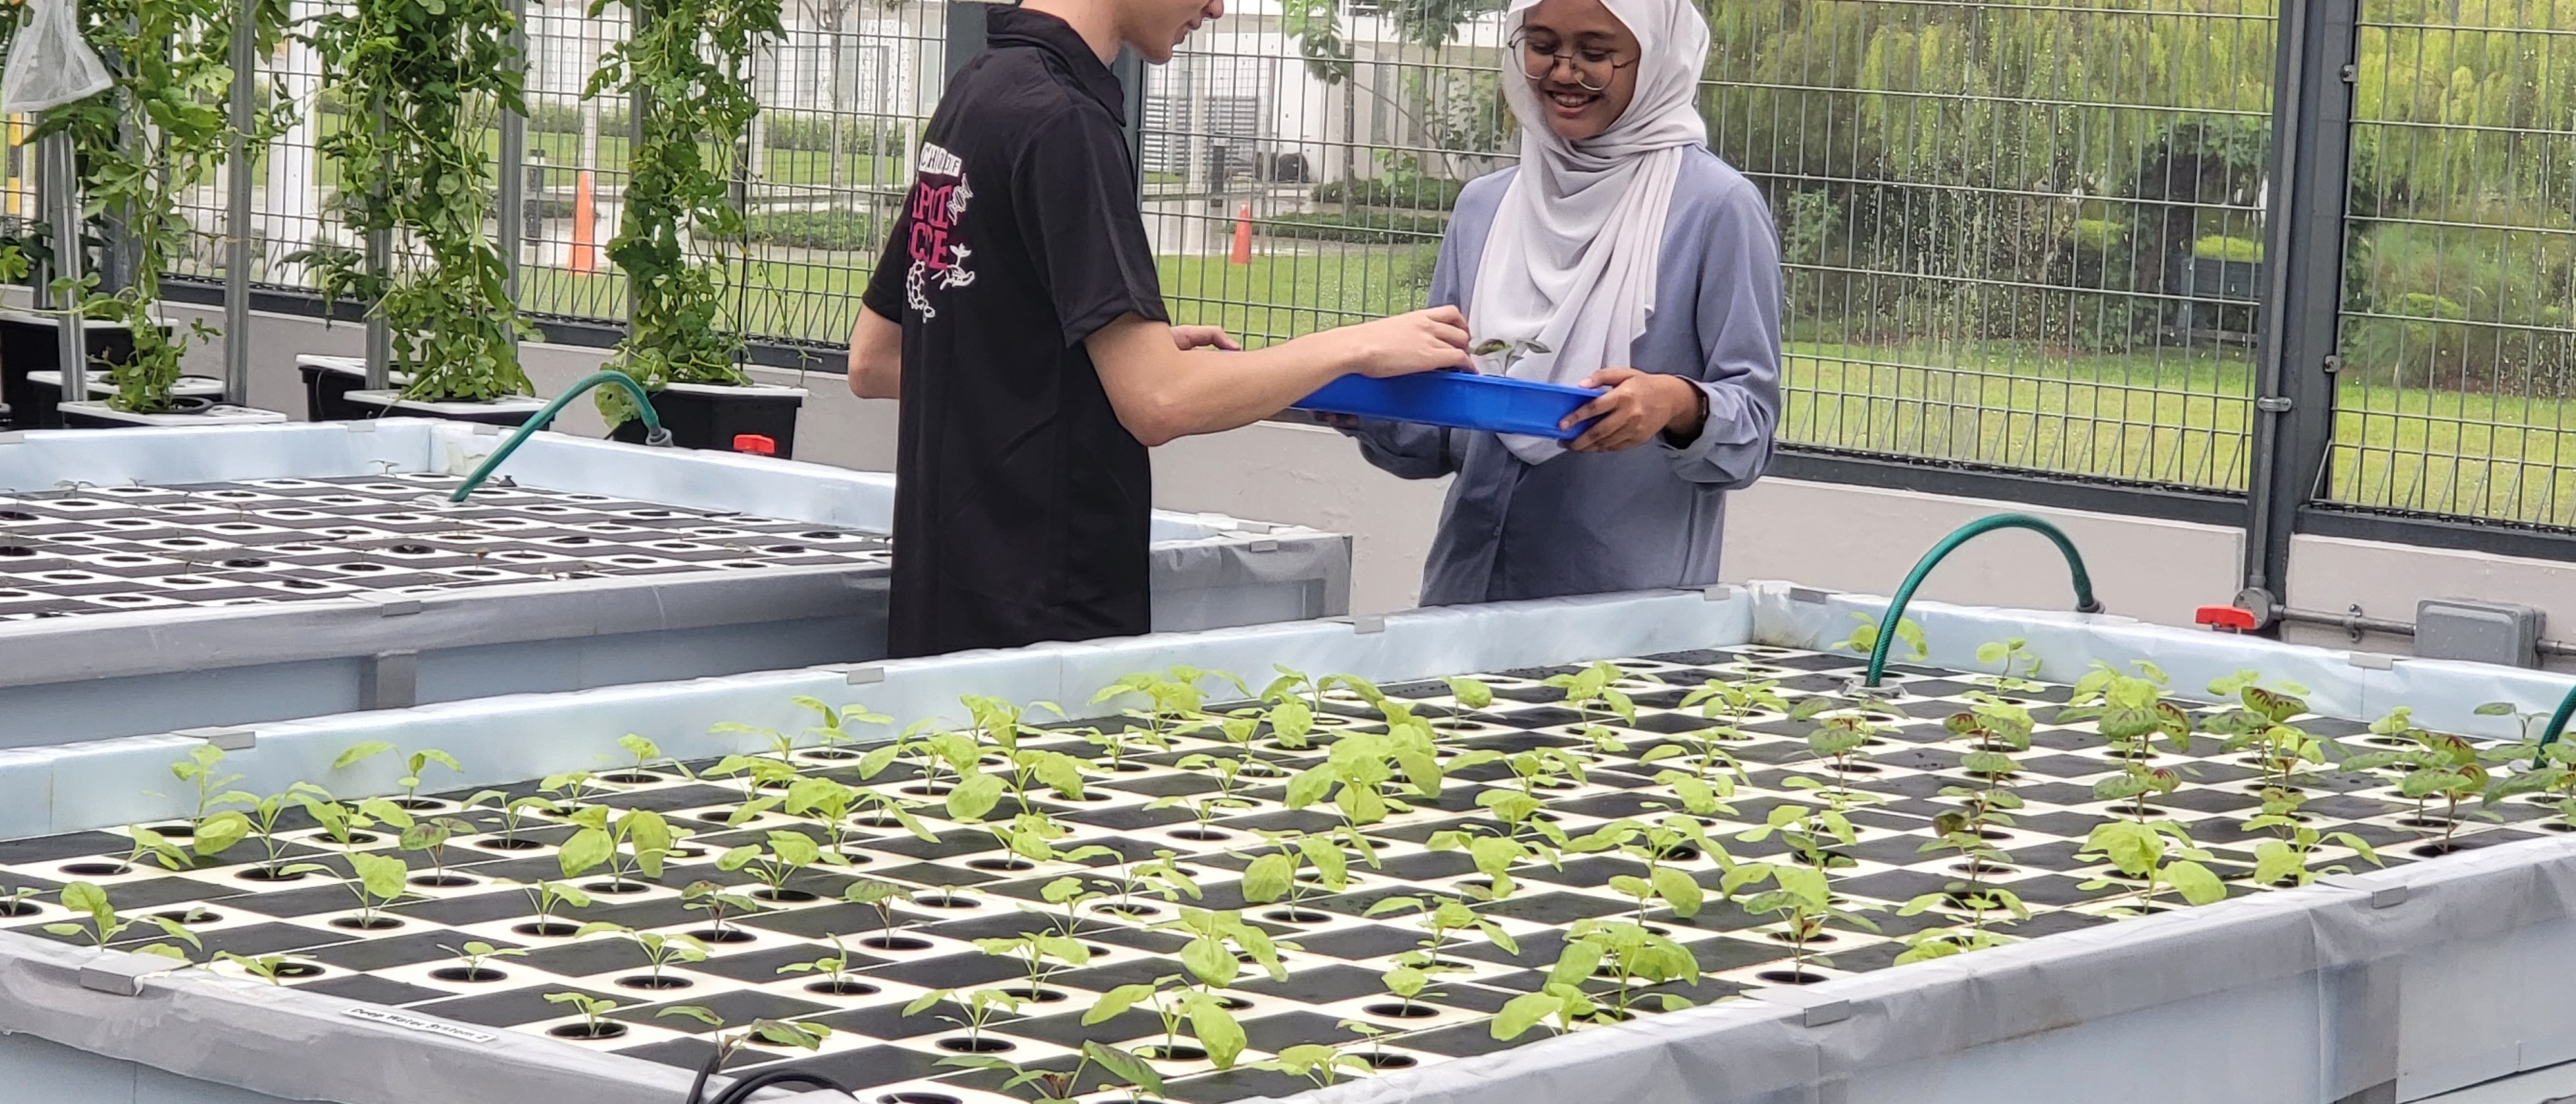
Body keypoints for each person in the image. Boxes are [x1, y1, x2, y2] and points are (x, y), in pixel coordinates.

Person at [844, 0, 1475, 658]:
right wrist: (1355, 347)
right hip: (1044, 629)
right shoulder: (1065, 121)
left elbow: (881, 356)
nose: (1216, 7)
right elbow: (1158, 400)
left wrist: (1084, 363)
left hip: (945, 600)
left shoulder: (979, 89)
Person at [1334, 0, 1783, 605]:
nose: (1563, 73)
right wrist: (1352, 398)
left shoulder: (1715, 208)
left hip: (1626, 622)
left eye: (1596, 54)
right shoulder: (1486, 208)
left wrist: (1675, 403)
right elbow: (1445, 428)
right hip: (1467, 597)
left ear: (1657, 58)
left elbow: (1750, 433)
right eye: (1542, 45)